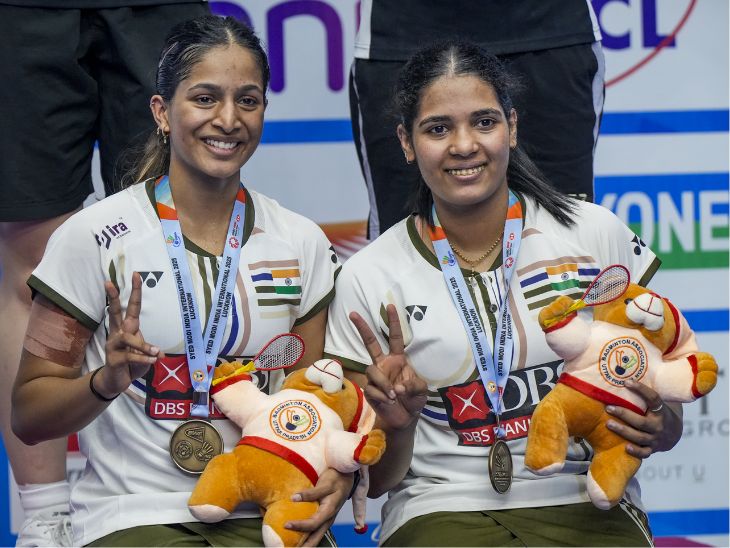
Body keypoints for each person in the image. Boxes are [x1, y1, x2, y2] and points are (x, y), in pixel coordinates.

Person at [325, 41, 684, 546]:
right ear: (406, 142)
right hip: (439, 509)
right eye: (437, 128)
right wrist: (398, 424)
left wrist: (662, 424)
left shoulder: (593, 233)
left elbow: (668, 399)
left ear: (511, 127)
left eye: (484, 122)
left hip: (585, 500)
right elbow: (377, 482)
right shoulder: (368, 275)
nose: (463, 145)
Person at [11, 15, 350, 547]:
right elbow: (29, 415)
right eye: (205, 98)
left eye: (247, 100)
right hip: (134, 515)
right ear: (161, 112)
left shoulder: (300, 241)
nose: (228, 119)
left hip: (266, 509)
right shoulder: (94, 237)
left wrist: (339, 472)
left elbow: (313, 401)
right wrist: (105, 382)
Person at [0, 1, 209, 545]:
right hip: (24, 12)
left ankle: (167, 483)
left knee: (170, 244)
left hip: (155, 9)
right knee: (35, 272)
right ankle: (45, 513)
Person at [350, 0, 605, 240]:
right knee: (404, 245)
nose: (464, 146)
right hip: (402, 30)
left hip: (550, 27)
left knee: (567, 238)